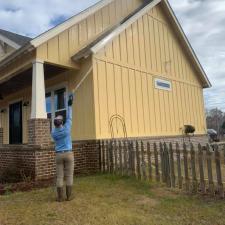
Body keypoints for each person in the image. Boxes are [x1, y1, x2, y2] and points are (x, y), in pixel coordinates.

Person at [51, 95, 74, 202]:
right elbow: (69, 117)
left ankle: (60, 197)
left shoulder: (53, 133)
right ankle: (69, 197)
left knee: (60, 177)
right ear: (61, 123)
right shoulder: (67, 129)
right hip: (68, 154)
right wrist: (69, 104)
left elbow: (62, 122)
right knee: (69, 175)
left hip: (59, 155)